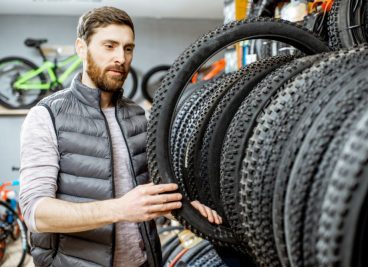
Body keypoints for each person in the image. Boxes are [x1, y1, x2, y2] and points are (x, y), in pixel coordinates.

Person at [19, 6, 221, 267]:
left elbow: (146, 195)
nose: (121, 58)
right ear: (82, 47)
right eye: (109, 46)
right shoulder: (46, 116)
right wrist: (121, 208)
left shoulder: (137, 116)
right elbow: (36, 214)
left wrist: (180, 210)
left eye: (128, 48)